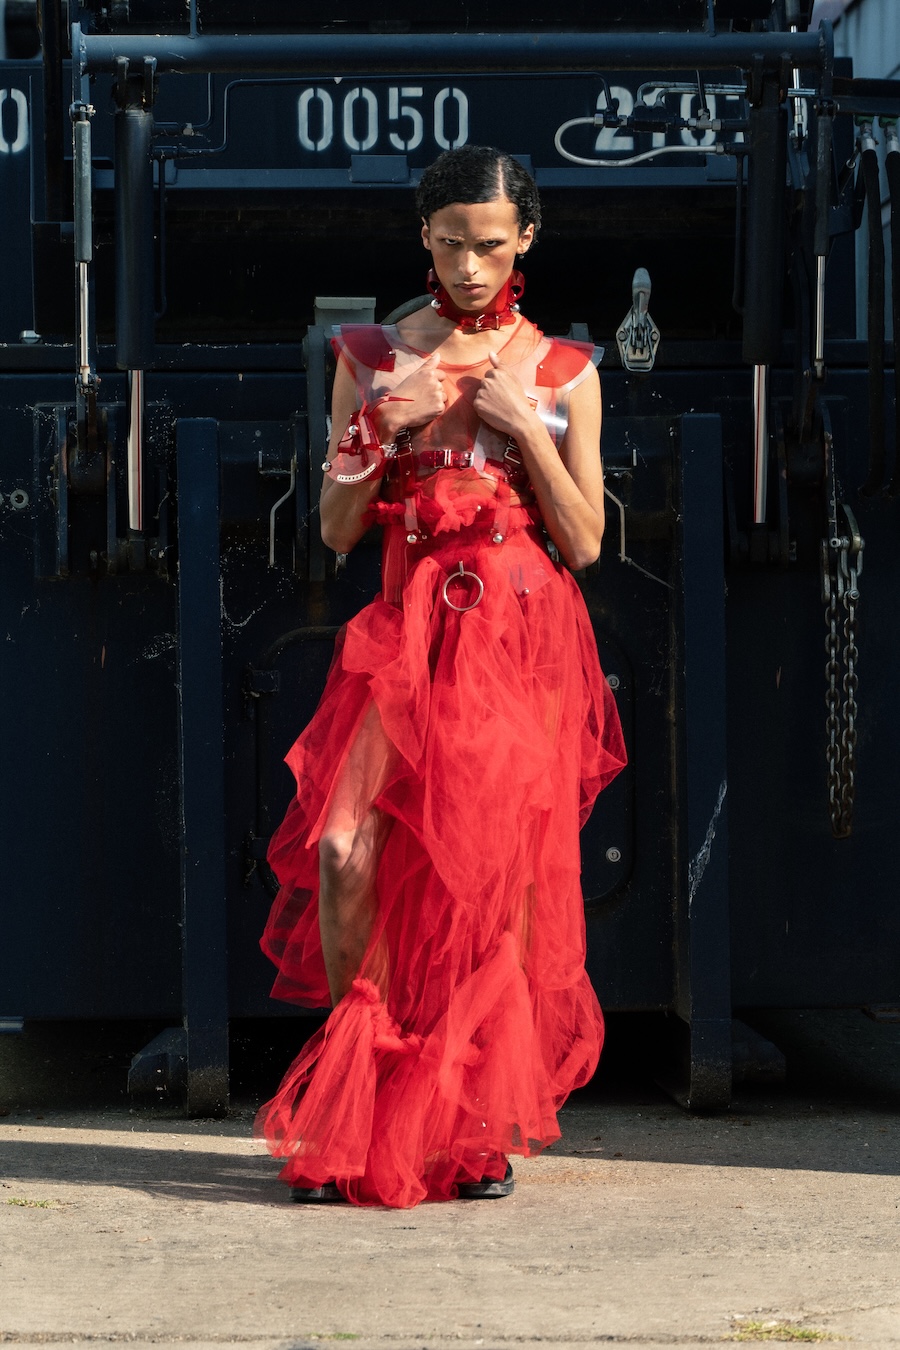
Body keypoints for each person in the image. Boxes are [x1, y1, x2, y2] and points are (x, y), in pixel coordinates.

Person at [254, 145, 626, 1209]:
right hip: (405, 636)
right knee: (343, 849)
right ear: (424, 235)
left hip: (518, 636)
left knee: (493, 879)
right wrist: (382, 423)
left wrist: (523, 431)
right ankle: (358, 1103)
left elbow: (587, 540)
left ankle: (471, 1123)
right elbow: (335, 530)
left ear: (525, 241)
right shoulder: (371, 356)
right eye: (452, 242)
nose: (470, 266)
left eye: (491, 245)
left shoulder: (563, 370)